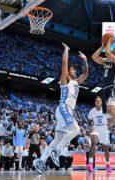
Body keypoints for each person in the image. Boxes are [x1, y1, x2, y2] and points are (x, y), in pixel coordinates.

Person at [33, 43, 88, 174]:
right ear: (68, 72)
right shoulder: (65, 80)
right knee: (76, 129)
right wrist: (67, 50)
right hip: (64, 108)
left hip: (66, 111)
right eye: (72, 69)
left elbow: (85, 73)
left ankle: (41, 160)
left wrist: (85, 60)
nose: (75, 71)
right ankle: (57, 151)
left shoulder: (76, 82)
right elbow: (64, 62)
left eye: (75, 70)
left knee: (57, 139)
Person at [92, 36, 115, 124]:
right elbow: (94, 57)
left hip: (114, 87)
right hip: (105, 88)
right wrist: (102, 46)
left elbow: (107, 53)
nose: (114, 48)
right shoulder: (107, 60)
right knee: (107, 114)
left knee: (111, 110)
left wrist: (109, 42)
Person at [87, 96, 112, 172]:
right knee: (93, 143)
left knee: (105, 148)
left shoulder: (105, 110)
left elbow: (110, 120)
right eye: (96, 100)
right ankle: (90, 163)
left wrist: (110, 126)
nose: (98, 101)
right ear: (95, 103)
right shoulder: (92, 111)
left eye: (99, 100)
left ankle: (108, 164)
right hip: (96, 130)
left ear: (101, 103)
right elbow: (89, 121)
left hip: (104, 131)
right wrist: (90, 127)